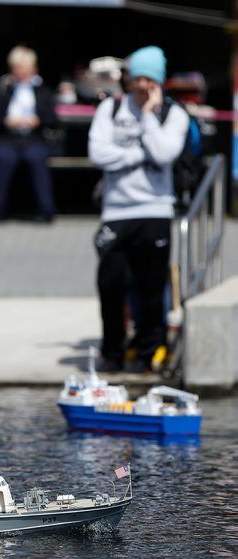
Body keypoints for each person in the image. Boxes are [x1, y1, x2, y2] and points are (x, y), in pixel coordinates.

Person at [88, 46, 189, 373]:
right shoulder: (111, 107)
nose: (143, 86)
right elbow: (98, 154)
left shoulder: (172, 113)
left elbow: (163, 154)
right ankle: (113, 350)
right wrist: (137, 155)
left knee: (151, 286)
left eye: (150, 79)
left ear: (159, 82)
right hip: (117, 210)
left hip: (155, 209)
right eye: (138, 78)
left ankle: (150, 350)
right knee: (111, 284)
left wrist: (147, 117)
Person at [0, 46, 58, 223]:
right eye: (17, 68)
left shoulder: (43, 91)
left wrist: (37, 120)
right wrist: (7, 121)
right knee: (4, 159)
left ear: (34, 69)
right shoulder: (5, 90)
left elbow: (53, 119)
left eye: (24, 67)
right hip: (8, 138)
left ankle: (46, 210)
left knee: (36, 159)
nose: (20, 72)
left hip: (34, 138)